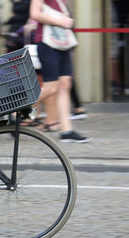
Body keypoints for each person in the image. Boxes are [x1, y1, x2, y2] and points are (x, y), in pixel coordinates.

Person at [29, 0, 89, 143]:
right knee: (52, 87)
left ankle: (66, 131)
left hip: (61, 42)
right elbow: (34, 13)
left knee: (65, 84)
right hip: (47, 42)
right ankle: (17, 111)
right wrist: (61, 21)